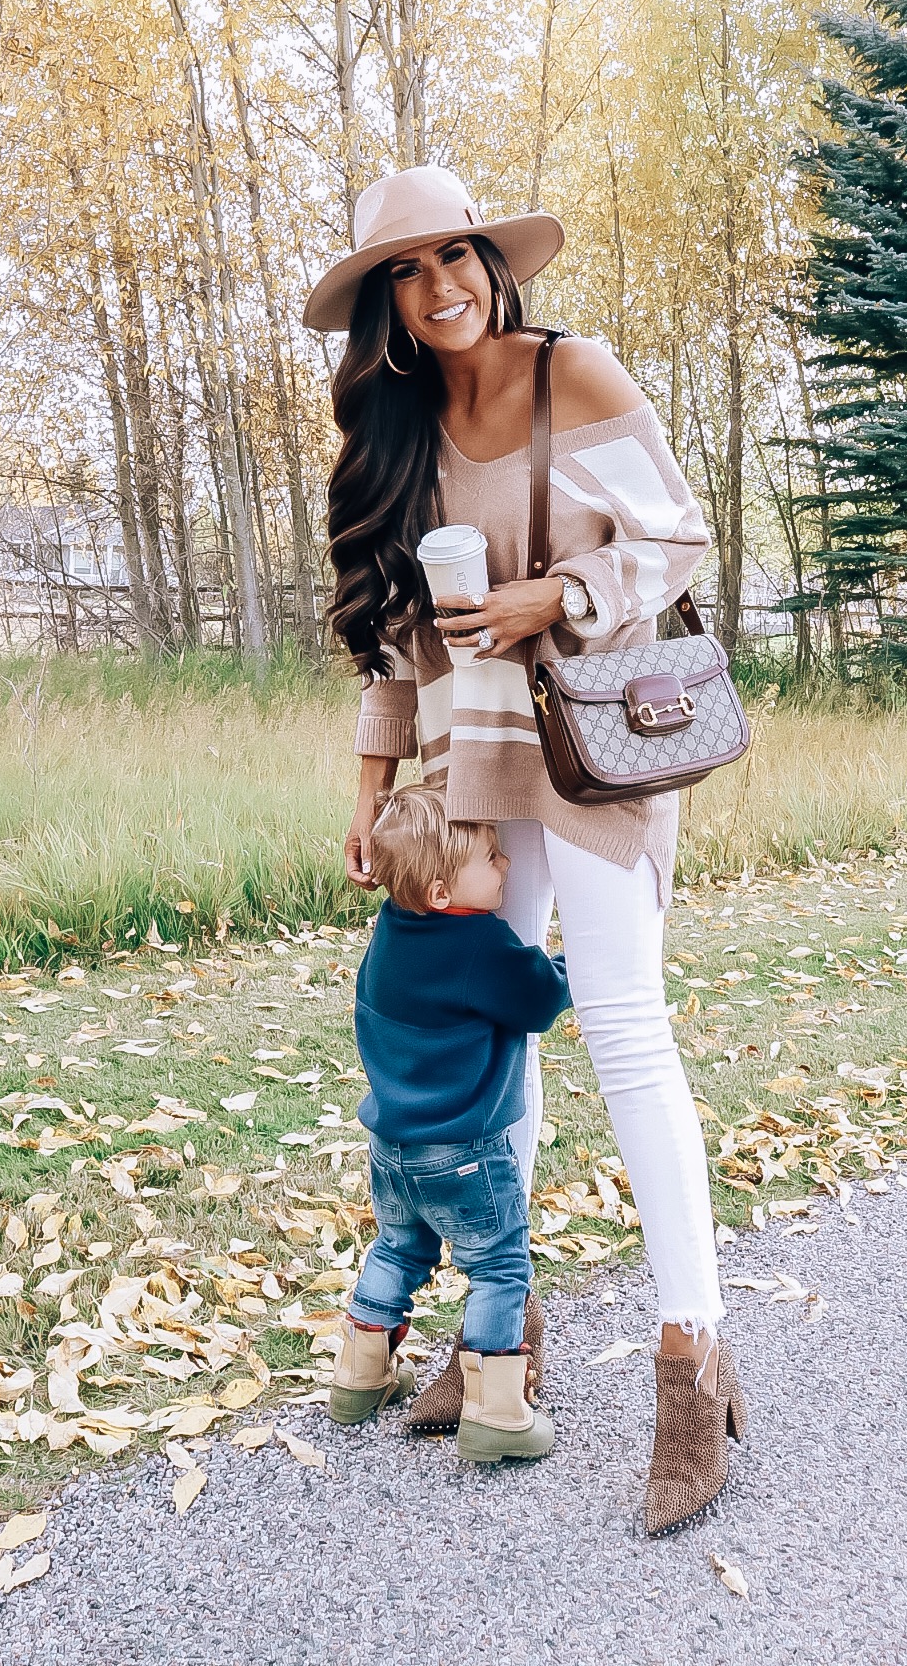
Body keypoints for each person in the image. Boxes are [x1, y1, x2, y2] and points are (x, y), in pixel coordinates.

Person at [305, 164, 748, 1537]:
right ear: (385, 301)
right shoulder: (400, 429)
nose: (442, 287)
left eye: (458, 257)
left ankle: (694, 1359)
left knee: (623, 1025)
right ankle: (507, 1329)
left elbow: (678, 535)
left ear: (493, 261)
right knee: (503, 1043)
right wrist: (375, 796)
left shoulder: (574, 374)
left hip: (594, 746)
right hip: (469, 761)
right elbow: (390, 643)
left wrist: (551, 590)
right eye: (410, 272)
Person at [330, 786, 569, 1461]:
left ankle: (359, 1373)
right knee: (499, 1265)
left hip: (392, 1145)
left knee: (399, 1250)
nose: (507, 864)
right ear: (441, 890)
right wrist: (571, 962)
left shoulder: (392, 928)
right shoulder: (479, 944)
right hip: (464, 1150)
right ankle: (498, 1411)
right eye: (491, 856)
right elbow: (540, 1000)